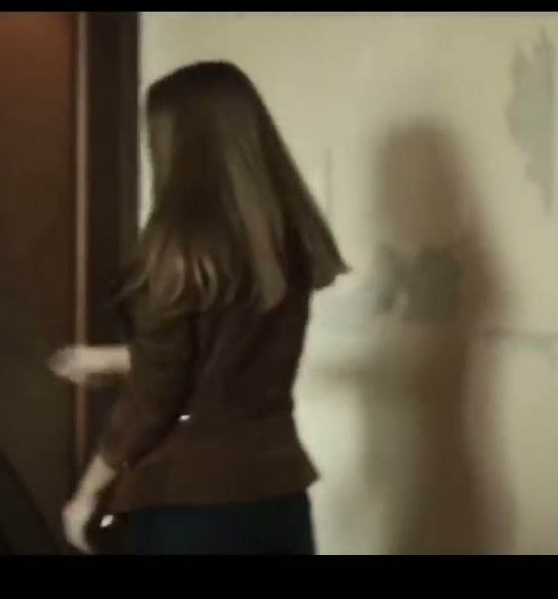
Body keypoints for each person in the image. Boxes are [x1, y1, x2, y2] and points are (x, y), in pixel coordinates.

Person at [51, 60, 349, 555]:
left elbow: (155, 399)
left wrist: (88, 492)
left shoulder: (178, 249)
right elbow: (223, 359)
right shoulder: (286, 239)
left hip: (191, 505)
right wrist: (112, 359)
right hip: (278, 494)